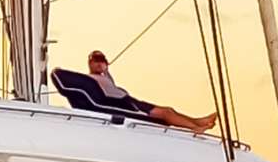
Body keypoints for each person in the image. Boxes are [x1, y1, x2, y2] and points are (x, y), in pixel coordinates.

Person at [87, 50, 219, 135]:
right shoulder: (92, 78)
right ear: (90, 64)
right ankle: (194, 128)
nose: (100, 64)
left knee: (169, 110)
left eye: (102, 61)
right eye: (96, 62)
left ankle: (198, 122)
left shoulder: (103, 76)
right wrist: (104, 69)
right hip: (125, 104)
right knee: (165, 113)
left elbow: (110, 81)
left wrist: (106, 69)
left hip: (129, 100)